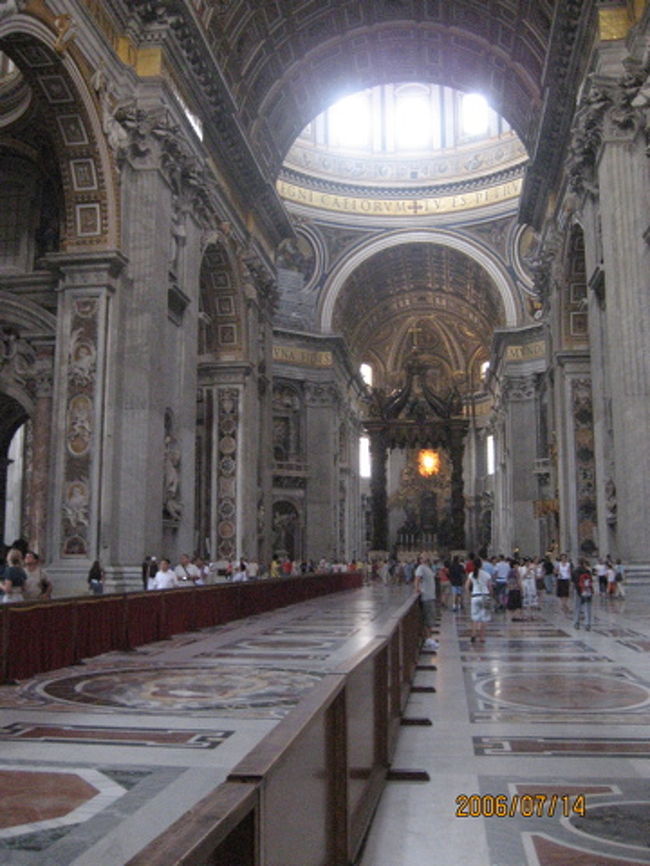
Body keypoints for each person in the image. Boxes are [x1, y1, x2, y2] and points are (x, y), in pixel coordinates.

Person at [414, 554, 438, 650]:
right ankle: (428, 639)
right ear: (420, 559)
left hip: (431, 596)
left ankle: (429, 639)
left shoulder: (428, 567)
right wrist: (417, 589)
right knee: (428, 619)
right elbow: (417, 579)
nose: (427, 557)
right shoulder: (420, 568)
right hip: (426, 596)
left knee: (431, 618)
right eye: (424, 556)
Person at [467, 556, 492, 643]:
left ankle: (473, 634)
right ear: (481, 565)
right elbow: (489, 587)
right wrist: (491, 595)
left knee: (475, 618)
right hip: (485, 596)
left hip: (475, 596)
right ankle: (482, 637)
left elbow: (467, 586)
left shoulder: (471, 574)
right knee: (484, 617)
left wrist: (470, 594)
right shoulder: (486, 574)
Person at [573, 558, 594, 630]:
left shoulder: (575, 571)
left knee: (577, 607)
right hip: (587, 590)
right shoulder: (588, 571)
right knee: (587, 607)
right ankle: (587, 623)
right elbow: (591, 581)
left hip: (578, 590)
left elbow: (574, 581)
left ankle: (576, 622)